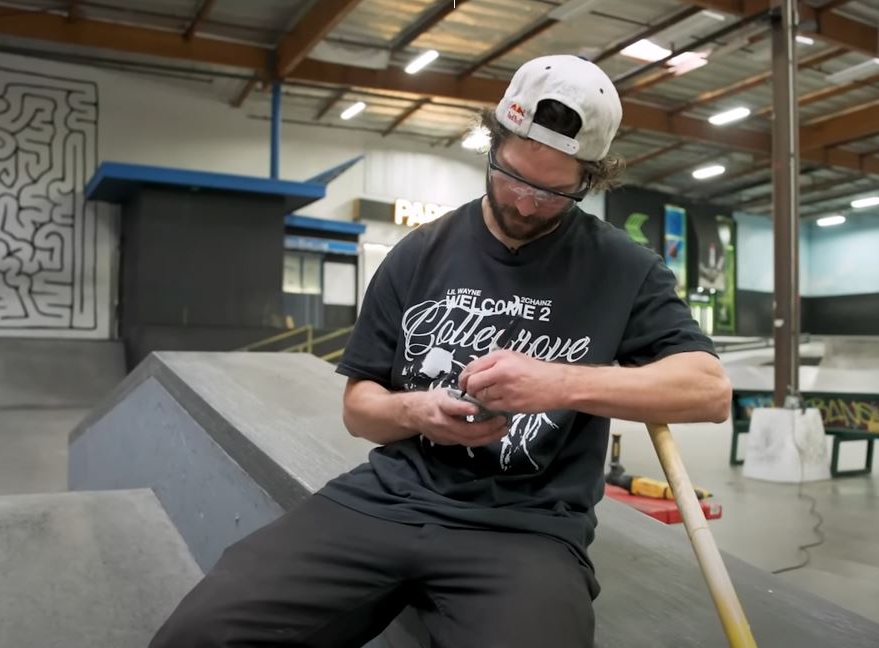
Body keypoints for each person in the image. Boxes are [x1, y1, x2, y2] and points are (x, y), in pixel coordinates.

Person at [150, 54, 732, 648]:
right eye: (513, 177)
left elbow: (708, 392)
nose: (527, 204)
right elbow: (359, 408)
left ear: (590, 180)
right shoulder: (419, 252)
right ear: (493, 142)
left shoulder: (624, 268)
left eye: (555, 193)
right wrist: (415, 412)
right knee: (199, 634)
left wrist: (557, 383)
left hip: (526, 529)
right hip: (388, 499)